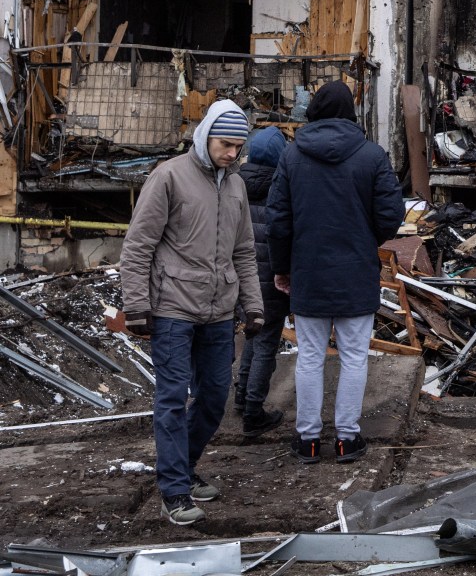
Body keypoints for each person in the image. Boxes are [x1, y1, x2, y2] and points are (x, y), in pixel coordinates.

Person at [120, 99, 263, 526]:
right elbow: (138, 245)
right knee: (171, 398)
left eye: (238, 147)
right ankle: (174, 491)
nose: (232, 154)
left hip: (219, 312)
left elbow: (244, 252)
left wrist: (253, 306)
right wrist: (136, 306)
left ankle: (185, 466)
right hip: (172, 309)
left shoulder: (236, 186)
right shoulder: (169, 177)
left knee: (215, 397)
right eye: (225, 145)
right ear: (205, 137)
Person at [267, 81, 404, 464]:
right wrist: (364, 238)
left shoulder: (292, 156)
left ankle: (308, 440)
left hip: (307, 272)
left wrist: (282, 267)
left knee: (310, 357)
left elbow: (278, 220)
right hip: (356, 271)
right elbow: (391, 214)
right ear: (350, 113)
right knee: (355, 357)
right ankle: (347, 439)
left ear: (313, 111)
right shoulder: (372, 155)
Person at [233, 125, 289, 437]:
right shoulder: (280, 190)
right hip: (272, 281)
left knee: (252, 335)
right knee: (266, 343)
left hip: (241, 281)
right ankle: (254, 411)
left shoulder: (234, 186)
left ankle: (241, 396)